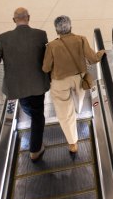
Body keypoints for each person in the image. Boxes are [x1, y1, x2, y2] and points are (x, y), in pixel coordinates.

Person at [0, 8, 50, 161]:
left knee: (28, 106)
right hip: (38, 85)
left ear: (14, 20)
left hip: (16, 87)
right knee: (38, 115)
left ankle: (35, 143)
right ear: (28, 18)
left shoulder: (3, 38)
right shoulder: (41, 35)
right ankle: (35, 150)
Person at [42, 15, 105, 157]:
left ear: (56, 30)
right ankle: (78, 108)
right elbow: (93, 58)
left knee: (65, 114)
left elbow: (46, 68)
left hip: (60, 81)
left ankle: (73, 143)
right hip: (79, 79)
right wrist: (101, 52)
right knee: (78, 100)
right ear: (71, 26)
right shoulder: (81, 39)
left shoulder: (51, 46)